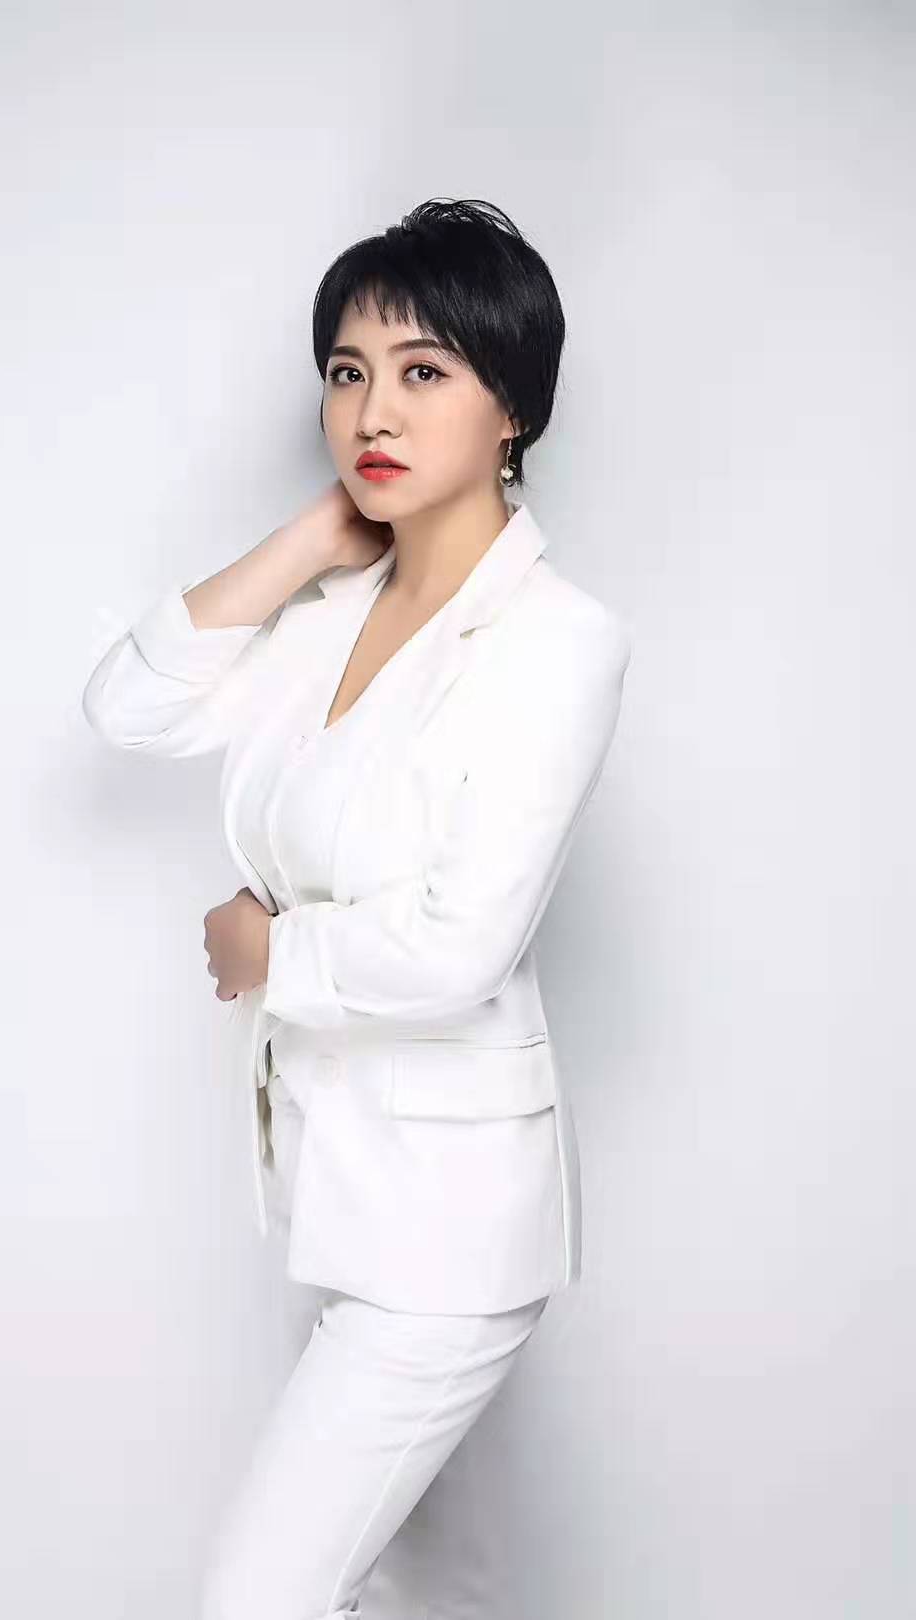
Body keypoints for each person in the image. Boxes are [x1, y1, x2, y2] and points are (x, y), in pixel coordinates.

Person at [82, 197, 633, 1619]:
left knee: (259, 1598)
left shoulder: (557, 643)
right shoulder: (328, 614)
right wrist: (302, 545)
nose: (371, 410)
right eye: (347, 371)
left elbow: (463, 942)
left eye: (422, 369)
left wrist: (269, 950)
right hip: (333, 1196)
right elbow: (128, 707)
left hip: (447, 1233)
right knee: (428, 1590)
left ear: (513, 407)